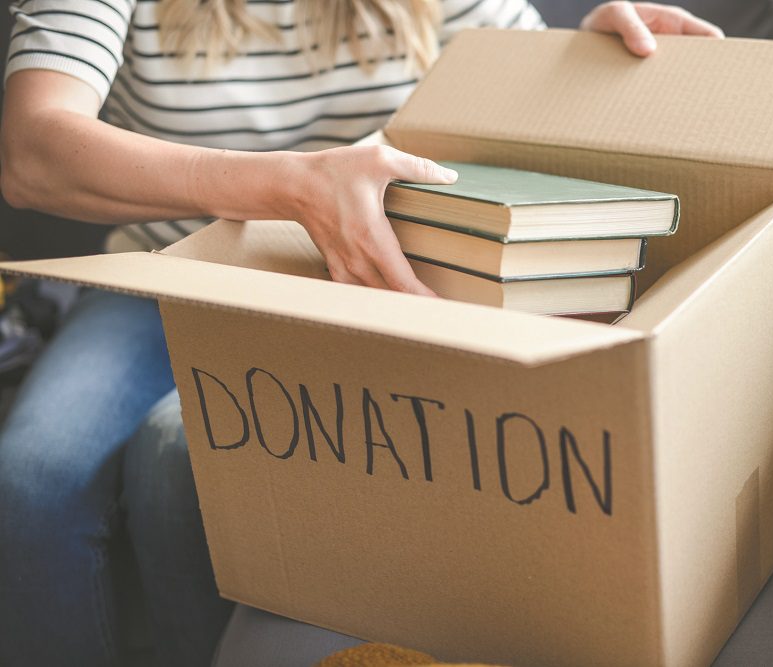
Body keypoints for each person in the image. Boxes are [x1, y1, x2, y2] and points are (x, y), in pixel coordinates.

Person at [0, 1, 723, 665]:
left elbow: (514, 85)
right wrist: (289, 187)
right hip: (157, 279)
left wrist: (584, 60)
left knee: (178, 455)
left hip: (360, 291)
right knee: (30, 483)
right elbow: (31, 152)